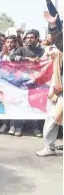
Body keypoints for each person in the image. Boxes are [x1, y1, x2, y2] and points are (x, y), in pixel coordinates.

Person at [37, 11, 63, 157]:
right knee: (53, 116)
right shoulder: (60, 47)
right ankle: (49, 146)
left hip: (61, 87)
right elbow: (60, 42)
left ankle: (49, 146)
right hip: (57, 85)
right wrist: (53, 24)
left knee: (54, 116)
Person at [10, 30, 44, 138]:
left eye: (32, 37)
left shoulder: (42, 51)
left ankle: (35, 127)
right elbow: (11, 58)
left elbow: (47, 62)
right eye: (28, 37)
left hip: (36, 83)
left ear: (37, 39)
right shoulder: (21, 50)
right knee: (20, 104)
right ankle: (18, 127)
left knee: (33, 105)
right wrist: (28, 59)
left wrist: (41, 61)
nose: (29, 39)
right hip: (22, 83)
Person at [0, 35, 19, 135]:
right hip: (4, 81)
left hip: (14, 81)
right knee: (4, 103)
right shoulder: (2, 53)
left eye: (12, 42)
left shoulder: (18, 52)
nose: (10, 44)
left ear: (15, 43)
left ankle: (12, 125)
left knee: (13, 104)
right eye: (8, 42)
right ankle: (4, 124)